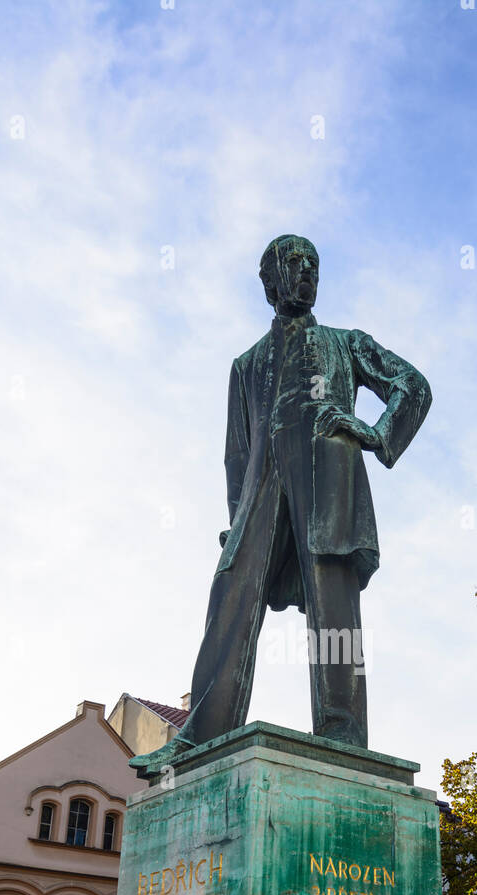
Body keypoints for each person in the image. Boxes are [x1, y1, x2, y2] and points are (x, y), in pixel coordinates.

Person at [134, 234, 431, 774]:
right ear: (269, 280)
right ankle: (200, 734)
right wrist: (235, 520)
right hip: (261, 491)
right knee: (230, 592)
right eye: (293, 263)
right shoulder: (246, 365)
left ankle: (343, 733)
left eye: (313, 264)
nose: (306, 271)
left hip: (328, 478)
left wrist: (374, 433)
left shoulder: (346, 342)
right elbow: (236, 452)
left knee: (333, 605)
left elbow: (412, 385)